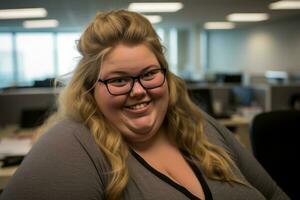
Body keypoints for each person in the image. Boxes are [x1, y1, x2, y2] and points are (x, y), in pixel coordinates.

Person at [1, 10, 289, 200]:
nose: (138, 91)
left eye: (150, 74)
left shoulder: (200, 125)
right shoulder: (72, 144)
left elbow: (273, 194)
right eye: (118, 80)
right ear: (90, 89)